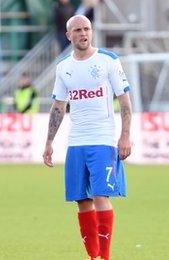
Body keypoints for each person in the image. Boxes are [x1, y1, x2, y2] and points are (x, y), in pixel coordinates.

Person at [42, 15, 132, 260]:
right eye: (78, 30)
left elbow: (124, 101)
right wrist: (49, 142)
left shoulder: (108, 60)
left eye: (87, 29)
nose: (83, 34)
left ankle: (105, 257)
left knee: (101, 196)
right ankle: (93, 257)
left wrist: (125, 136)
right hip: (76, 142)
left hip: (102, 140)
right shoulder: (63, 67)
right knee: (81, 200)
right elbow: (58, 107)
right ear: (68, 35)